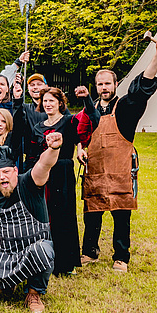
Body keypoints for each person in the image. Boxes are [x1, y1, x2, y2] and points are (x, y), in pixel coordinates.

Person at [79, 38, 157, 272]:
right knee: (92, 214)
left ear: (116, 84)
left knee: (121, 215)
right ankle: (89, 252)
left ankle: (121, 257)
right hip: (95, 171)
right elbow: (78, 134)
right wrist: (79, 149)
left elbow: (143, 88)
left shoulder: (127, 107)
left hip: (119, 171)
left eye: (108, 83)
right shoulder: (89, 111)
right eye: (100, 84)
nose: (104, 88)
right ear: (95, 86)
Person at [0, 139, 63, 313]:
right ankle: (8, 284)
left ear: (15, 171)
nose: (2, 177)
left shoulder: (30, 183)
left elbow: (44, 165)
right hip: (5, 251)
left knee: (43, 251)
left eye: (6, 172)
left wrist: (54, 148)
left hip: (32, 249)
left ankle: (33, 293)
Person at [17, 86, 98, 275]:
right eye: (44, 101)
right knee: (43, 215)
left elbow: (91, 121)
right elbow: (31, 154)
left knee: (63, 215)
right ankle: (43, 259)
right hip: (42, 173)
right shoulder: (38, 127)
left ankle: (65, 263)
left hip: (62, 173)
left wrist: (87, 99)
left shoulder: (70, 121)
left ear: (60, 103)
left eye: (51, 101)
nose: (47, 104)